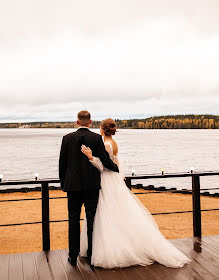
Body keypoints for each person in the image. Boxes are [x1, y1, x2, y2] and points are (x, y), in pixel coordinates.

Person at [80, 118, 191, 269]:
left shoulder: (105, 144)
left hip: (106, 181)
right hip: (114, 180)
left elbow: (104, 166)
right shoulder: (113, 143)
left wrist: (90, 157)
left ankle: (112, 250)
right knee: (119, 212)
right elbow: (117, 164)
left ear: (102, 129)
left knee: (107, 213)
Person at [59, 111, 119, 266]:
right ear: (90, 122)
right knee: (92, 220)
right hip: (92, 186)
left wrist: (63, 184)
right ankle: (92, 253)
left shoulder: (67, 138)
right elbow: (105, 160)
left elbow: (62, 164)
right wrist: (116, 168)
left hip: (72, 187)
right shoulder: (96, 138)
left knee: (73, 220)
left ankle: (73, 256)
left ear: (77, 122)